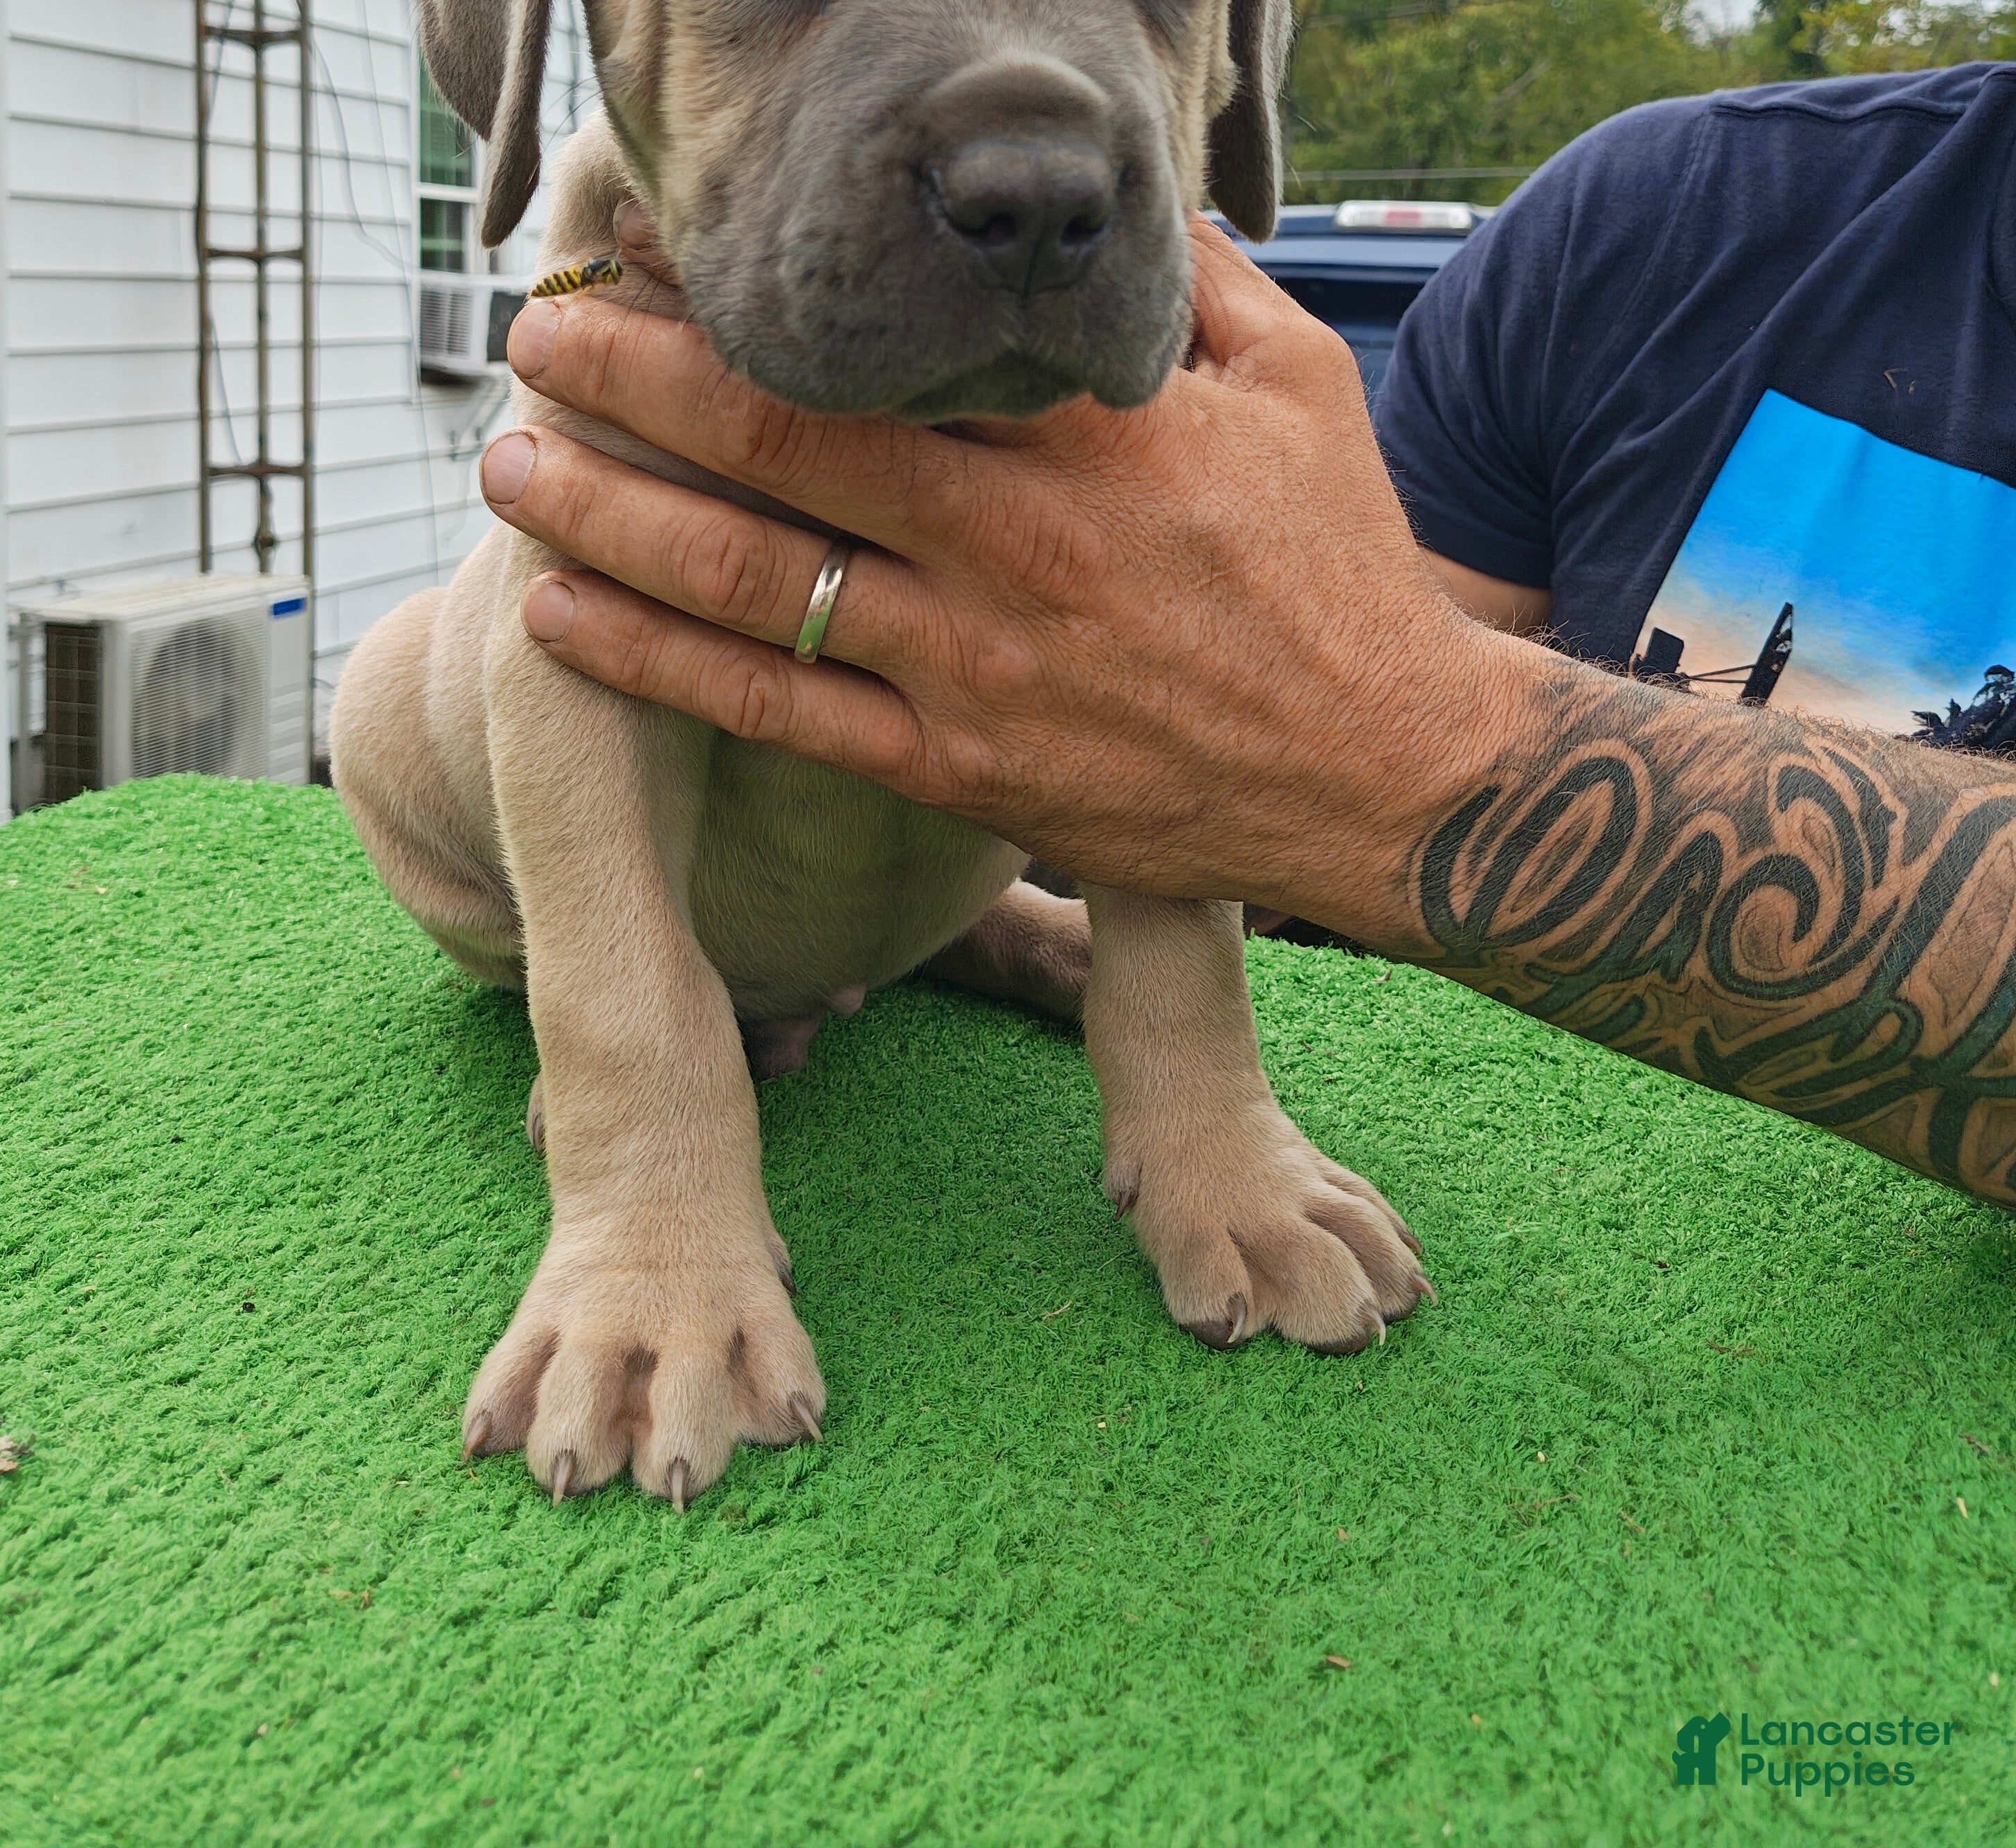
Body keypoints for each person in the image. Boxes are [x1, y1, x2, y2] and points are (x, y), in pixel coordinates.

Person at [475, 62, 2016, 1208]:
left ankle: (972, 937)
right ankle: (979, 940)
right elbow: (1199, 719)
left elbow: (1307, 741)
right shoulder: (1662, 217)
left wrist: (1418, 759)